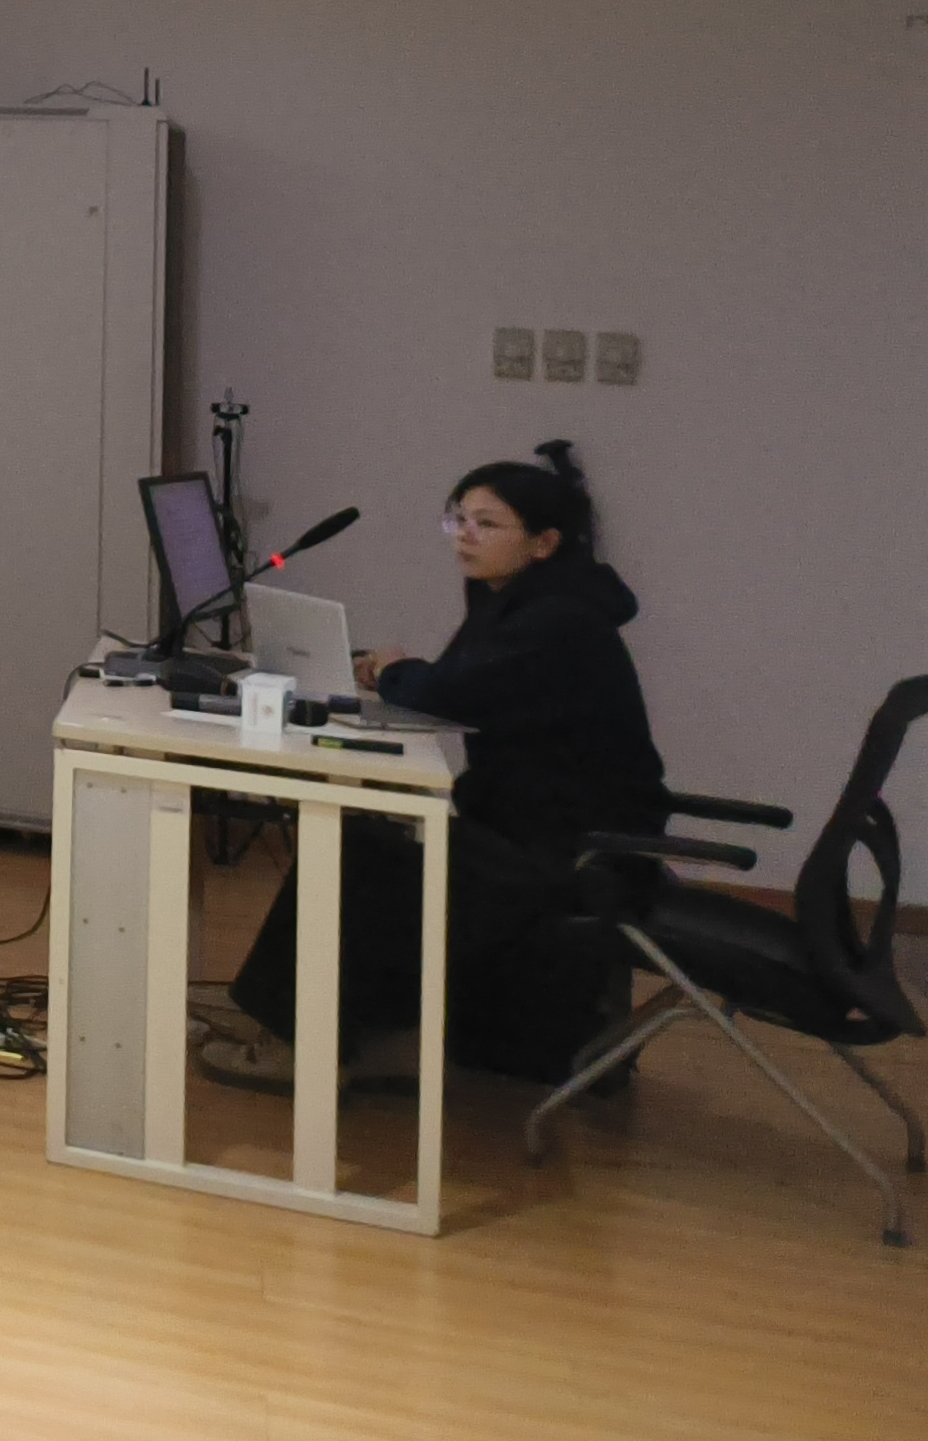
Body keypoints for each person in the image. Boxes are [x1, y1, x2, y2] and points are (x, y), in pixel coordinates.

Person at [213, 442, 669, 1088]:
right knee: (367, 843)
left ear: (543, 543)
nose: (465, 535)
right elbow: (464, 686)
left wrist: (398, 671)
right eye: (459, 519)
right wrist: (399, 674)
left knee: (353, 853)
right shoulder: (521, 599)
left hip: (575, 853)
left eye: (487, 523)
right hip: (532, 828)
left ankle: (305, 1046)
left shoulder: (560, 618)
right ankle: (347, 1032)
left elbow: (449, 694)